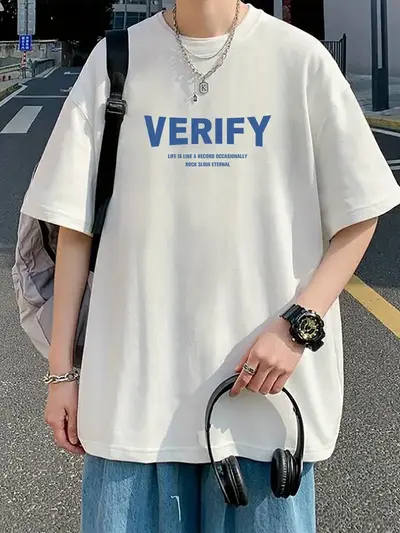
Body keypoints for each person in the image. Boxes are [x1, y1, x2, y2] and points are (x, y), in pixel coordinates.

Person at [20, 1, 400, 532]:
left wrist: (298, 327)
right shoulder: (115, 61)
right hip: (134, 404)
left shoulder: (299, 60)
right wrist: (61, 374)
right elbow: (73, 228)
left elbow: (360, 213)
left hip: (264, 408)